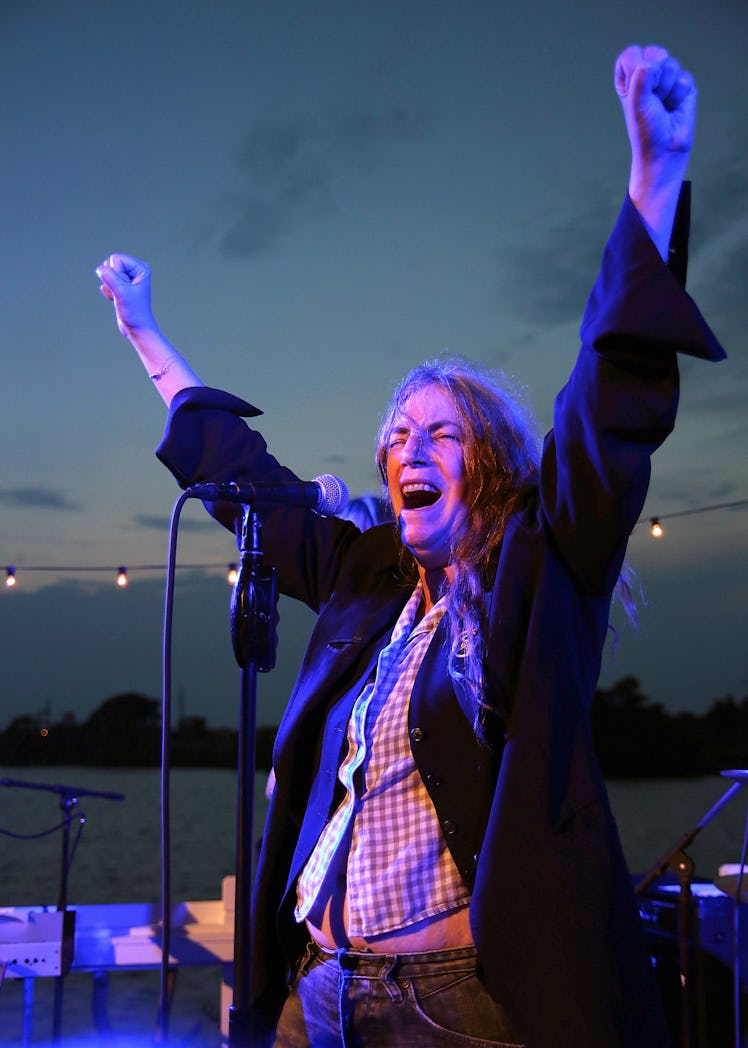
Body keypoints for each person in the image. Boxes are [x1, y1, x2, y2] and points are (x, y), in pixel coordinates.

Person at [96, 45, 725, 1048]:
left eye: (439, 432)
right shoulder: (367, 581)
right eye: (395, 435)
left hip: (455, 1007)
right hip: (324, 993)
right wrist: (147, 338)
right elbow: (247, 484)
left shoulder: (541, 560)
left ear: (494, 463)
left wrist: (655, 172)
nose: (406, 450)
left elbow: (605, 406)